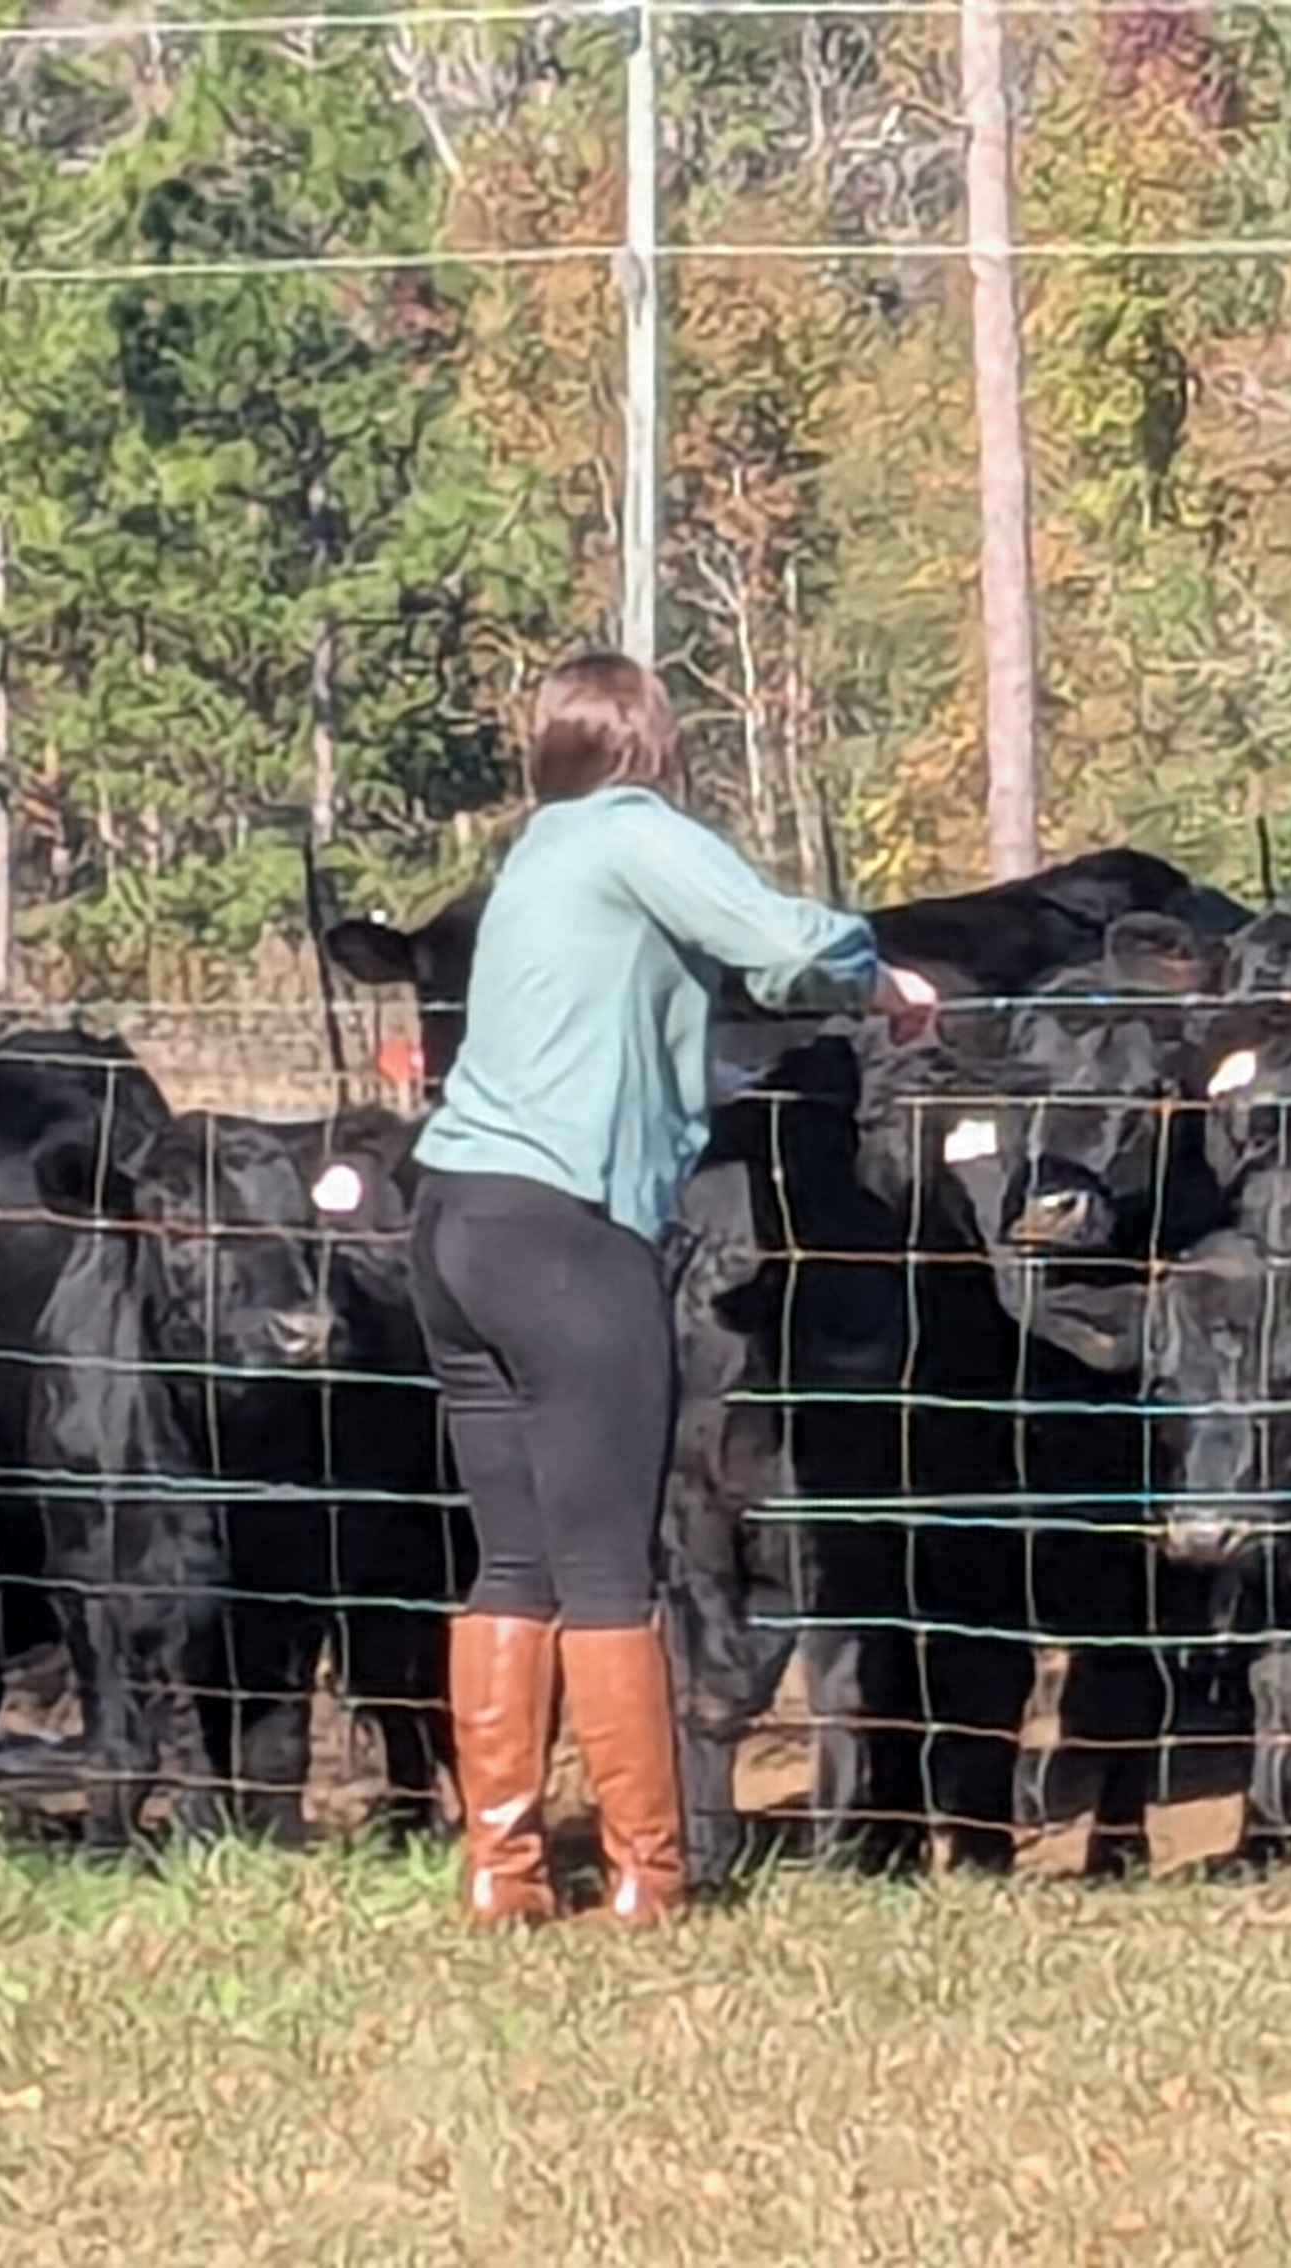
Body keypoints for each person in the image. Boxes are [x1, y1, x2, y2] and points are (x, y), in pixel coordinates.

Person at [410, 651, 935, 1928]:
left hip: (453, 1220)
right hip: (564, 1230)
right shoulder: (632, 831)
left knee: (513, 1557)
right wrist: (878, 976)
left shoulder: (537, 852)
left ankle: (501, 1868)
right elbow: (783, 943)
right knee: (606, 1563)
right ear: (652, 745)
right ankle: (648, 1874)